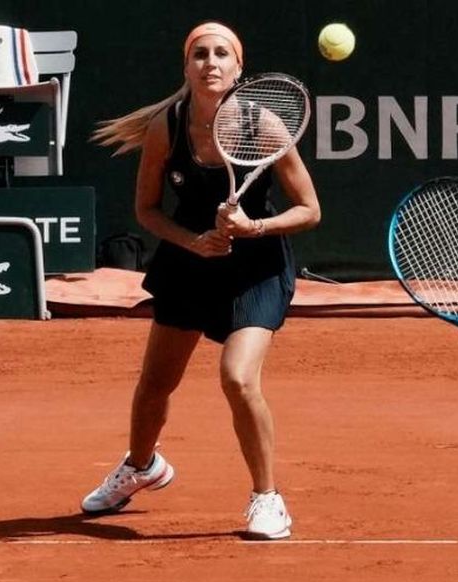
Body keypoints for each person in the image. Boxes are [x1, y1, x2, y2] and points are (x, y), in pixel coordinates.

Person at [82, 21, 321, 539]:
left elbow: (309, 210)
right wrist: (192, 241)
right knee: (155, 384)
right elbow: (147, 210)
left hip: (256, 268)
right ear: (186, 67)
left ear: (238, 69)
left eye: (220, 55)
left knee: (237, 377)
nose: (209, 63)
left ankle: (267, 498)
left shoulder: (266, 126)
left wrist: (254, 226)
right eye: (199, 55)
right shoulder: (167, 126)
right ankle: (142, 466)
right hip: (189, 263)